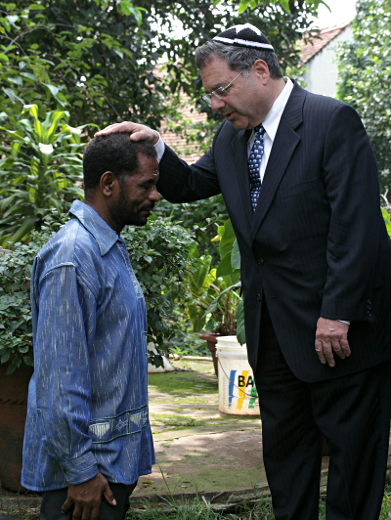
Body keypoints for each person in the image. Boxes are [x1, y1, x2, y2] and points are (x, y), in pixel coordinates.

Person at [95, 24, 391, 520]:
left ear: (258, 71)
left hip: (339, 334)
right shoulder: (232, 139)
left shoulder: (329, 121)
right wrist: (158, 147)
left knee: (353, 467)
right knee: (286, 463)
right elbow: (190, 184)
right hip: (273, 336)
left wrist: (336, 313)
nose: (215, 104)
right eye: (210, 94)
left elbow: (356, 225)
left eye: (220, 90)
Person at [21, 133, 159, 520]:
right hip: (84, 478)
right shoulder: (74, 257)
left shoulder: (108, 247)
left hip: (110, 465)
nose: (155, 195)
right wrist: (81, 471)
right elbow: (61, 378)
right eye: (146, 184)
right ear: (109, 183)